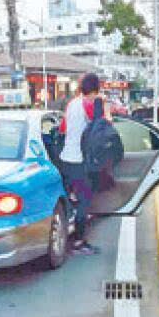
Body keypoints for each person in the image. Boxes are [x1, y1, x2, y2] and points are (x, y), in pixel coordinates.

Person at [59, 73, 107, 254]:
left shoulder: (72, 104)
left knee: (73, 199)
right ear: (96, 89)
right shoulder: (91, 104)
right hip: (80, 161)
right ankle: (79, 242)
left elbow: (63, 128)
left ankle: (69, 233)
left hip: (66, 158)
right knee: (84, 201)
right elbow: (103, 126)